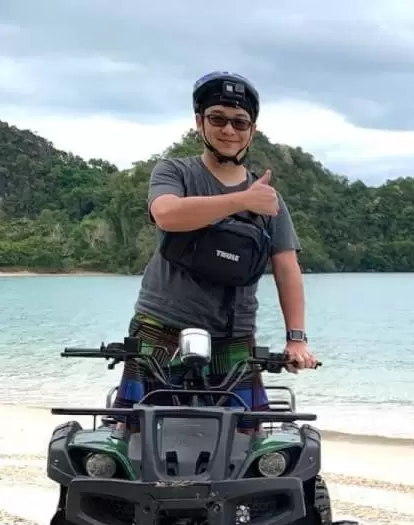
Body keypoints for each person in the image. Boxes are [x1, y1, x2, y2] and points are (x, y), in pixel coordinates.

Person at [112, 70, 316, 428]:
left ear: (251, 130)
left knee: (245, 442)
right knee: (139, 437)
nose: (229, 130)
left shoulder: (269, 200)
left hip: (233, 334)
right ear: (199, 122)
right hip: (162, 327)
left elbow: (287, 268)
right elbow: (166, 214)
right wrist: (242, 200)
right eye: (217, 119)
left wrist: (296, 339)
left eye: (240, 122)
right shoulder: (175, 171)